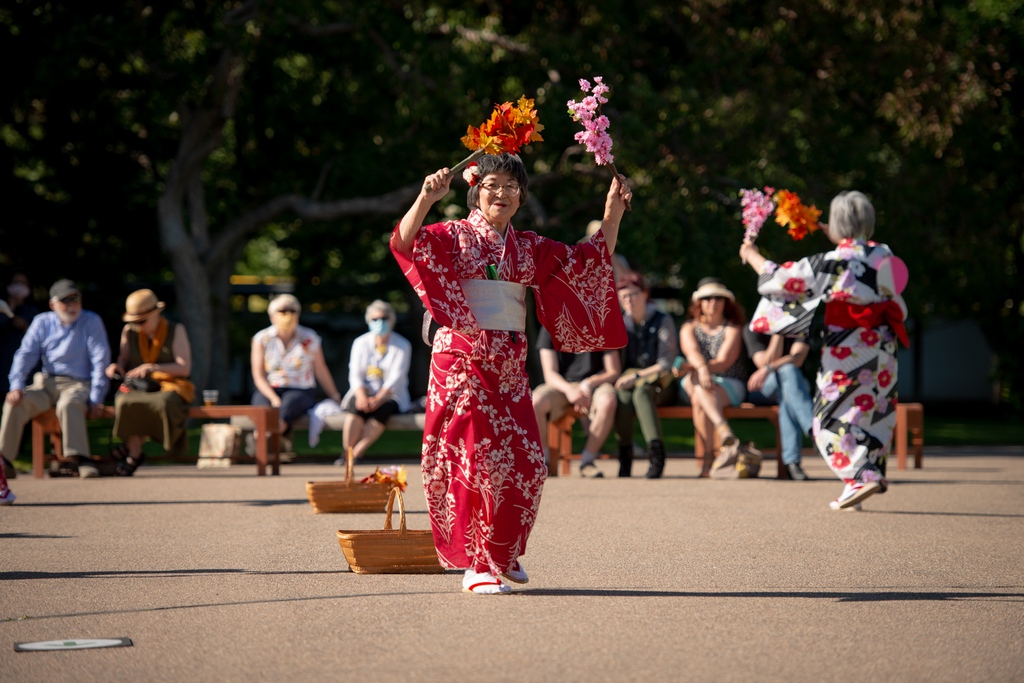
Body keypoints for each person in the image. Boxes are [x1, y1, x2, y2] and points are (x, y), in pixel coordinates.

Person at [391, 153, 630, 594]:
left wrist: (611, 213)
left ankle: (501, 550)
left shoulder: (530, 247)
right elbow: (405, 244)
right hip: (462, 357)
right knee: (475, 459)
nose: (501, 193)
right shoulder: (455, 235)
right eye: (492, 185)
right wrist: (425, 198)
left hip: (509, 363)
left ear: (521, 196)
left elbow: (588, 259)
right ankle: (475, 562)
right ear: (475, 191)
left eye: (511, 187)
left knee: (528, 462)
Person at [740, 190, 908, 510]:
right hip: (884, 349)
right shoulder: (884, 254)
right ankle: (862, 477)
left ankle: (860, 476)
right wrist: (842, 239)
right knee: (871, 415)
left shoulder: (833, 262)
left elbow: (782, 278)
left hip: (850, 351)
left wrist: (751, 255)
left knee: (825, 421)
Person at [0, 279, 110, 478]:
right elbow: (25, 354)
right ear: (52, 304)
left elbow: (100, 360)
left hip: (78, 383)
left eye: (75, 300)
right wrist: (16, 386)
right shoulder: (42, 322)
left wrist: (96, 398)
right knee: (14, 403)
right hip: (46, 382)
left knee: (69, 404)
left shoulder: (91, 321)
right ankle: (4, 461)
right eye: (66, 301)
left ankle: (80, 459)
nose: (72, 305)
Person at [104, 289, 194, 476]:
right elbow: (123, 359)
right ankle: (134, 452)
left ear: (156, 314)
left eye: (142, 321)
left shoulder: (175, 330)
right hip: (139, 386)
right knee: (125, 401)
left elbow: (184, 368)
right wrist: (116, 367)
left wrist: (153, 367)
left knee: (161, 402)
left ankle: (131, 452)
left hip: (169, 385)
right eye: (135, 321)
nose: (138, 326)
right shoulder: (129, 331)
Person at [675, 277, 748, 476]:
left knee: (699, 394)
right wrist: (703, 369)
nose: (712, 302)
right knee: (698, 385)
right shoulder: (689, 327)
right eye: (707, 298)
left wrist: (700, 369)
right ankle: (722, 429)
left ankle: (707, 462)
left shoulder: (733, 328)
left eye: (718, 298)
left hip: (729, 384)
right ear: (699, 303)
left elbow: (724, 362)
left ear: (726, 302)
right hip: (698, 381)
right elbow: (691, 351)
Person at [251, 294, 343, 448]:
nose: (287, 315)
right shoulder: (262, 339)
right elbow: (258, 375)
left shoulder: (309, 337)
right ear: (272, 315)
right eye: (282, 311)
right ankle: (268, 444)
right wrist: (273, 398)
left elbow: (320, 370)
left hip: (301, 389)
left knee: (287, 408)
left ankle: (263, 443)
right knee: (262, 411)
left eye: (291, 310)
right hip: (269, 388)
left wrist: (334, 396)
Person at [533, 325, 621, 478]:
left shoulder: (602, 322)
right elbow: (550, 373)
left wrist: (589, 383)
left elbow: (613, 370)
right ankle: (543, 461)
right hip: (561, 386)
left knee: (608, 401)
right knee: (536, 401)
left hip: (595, 384)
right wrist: (569, 390)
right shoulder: (549, 324)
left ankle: (588, 461)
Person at [613, 273, 679, 479]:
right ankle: (625, 456)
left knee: (641, 392)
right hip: (631, 382)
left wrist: (637, 376)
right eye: (623, 297)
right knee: (622, 398)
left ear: (644, 294)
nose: (628, 301)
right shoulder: (620, 323)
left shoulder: (662, 319)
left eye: (632, 295)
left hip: (661, 383)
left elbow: (666, 363)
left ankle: (657, 456)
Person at [333, 299, 412, 465]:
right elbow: (355, 372)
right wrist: (361, 395)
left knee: (383, 410)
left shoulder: (402, 344)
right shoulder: (360, 342)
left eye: (384, 318)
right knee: (355, 408)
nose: (380, 323)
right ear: (369, 321)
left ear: (392, 320)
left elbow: (396, 376)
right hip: (365, 392)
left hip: (390, 396)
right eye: (375, 319)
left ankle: (357, 452)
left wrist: (379, 398)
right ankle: (346, 452)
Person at [744, 330, 813, 480]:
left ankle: (792, 463)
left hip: (794, 387)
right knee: (788, 373)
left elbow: (798, 359)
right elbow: (763, 362)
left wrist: (769, 368)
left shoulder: (800, 326)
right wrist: (778, 333)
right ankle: (814, 428)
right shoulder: (753, 327)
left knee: (787, 392)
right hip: (761, 388)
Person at [0, 273, 40, 479]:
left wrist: (22, 324)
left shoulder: (34, 312)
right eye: (15, 283)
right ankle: (4, 457)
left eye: (23, 284)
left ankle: (17, 453)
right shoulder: (3, 309)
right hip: (3, 366)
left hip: (25, 373)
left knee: (20, 406)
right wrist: (10, 312)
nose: (19, 287)